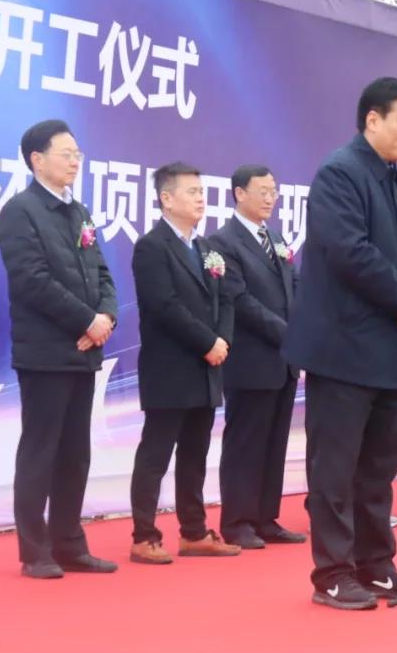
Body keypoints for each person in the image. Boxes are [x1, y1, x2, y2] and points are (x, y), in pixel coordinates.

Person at [283, 76, 397, 610]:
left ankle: (377, 566)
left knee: (377, 469)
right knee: (335, 468)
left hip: (388, 351)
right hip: (343, 348)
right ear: (373, 119)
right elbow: (349, 251)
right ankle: (332, 573)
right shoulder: (339, 174)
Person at [0, 119, 118, 579]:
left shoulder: (79, 212)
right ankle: (35, 551)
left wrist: (106, 317)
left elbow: (102, 273)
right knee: (40, 451)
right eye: (66, 153)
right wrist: (86, 320)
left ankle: (70, 544)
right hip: (45, 353)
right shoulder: (19, 211)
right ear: (37, 159)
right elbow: (32, 280)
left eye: (77, 154)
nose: (74, 161)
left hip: (83, 352)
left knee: (75, 453)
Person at [127, 162, 240, 565]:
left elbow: (225, 299)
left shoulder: (207, 249)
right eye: (191, 192)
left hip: (206, 369)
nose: (200, 199)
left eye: (201, 191)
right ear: (166, 198)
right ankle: (144, 535)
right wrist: (207, 342)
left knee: (195, 454)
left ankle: (193, 532)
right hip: (170, 368)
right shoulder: (151, 247)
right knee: (156, 454)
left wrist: (222, 340)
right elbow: (164, 306)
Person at [208, 165, 306, 549]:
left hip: (284, 360)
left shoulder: (276, 238)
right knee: (245, 443)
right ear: (239, 193)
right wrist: (288, 332)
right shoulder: (222, 242)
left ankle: (267, 518)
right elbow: (239, 300)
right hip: (250, 359)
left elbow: (295, 287)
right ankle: (237, 521)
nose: (270, 198)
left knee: (275, 442)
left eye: (274, 191)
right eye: (262, 191)